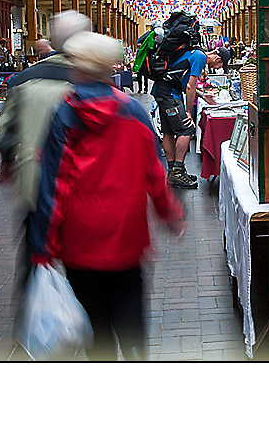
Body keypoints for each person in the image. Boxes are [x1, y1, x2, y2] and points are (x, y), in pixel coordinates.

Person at [29, 31, 186, 361]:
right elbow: (154, 171)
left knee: (94, 319)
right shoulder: (133, 111)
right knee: (130, 312)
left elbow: (51, 182)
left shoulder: (65, 113)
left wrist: (43, 242)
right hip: (126, 231)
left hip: (79, 236)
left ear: (80, 69)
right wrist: (170, 212)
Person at [0, 11, 91, 299]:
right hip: (83, 183)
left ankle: (36, 315)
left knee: (35, 250)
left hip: (36, 182)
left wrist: (8, 162)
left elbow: (7, 132)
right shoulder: (93, 81)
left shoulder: (24, 79)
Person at [151, 44, 231, 189]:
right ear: (218, 58)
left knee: (168, 131)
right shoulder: (200, 57)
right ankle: (177, 171)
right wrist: (188, 112)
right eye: (220, 64)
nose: (218, 67)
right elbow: (190, 86)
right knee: (186, 129)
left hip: (163, 91)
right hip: (169, 94)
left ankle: (172, 171)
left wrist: (203, 95)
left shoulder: (195, 53)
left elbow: (184, 83)